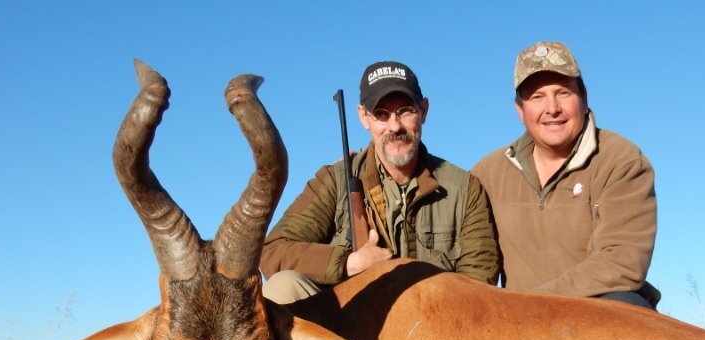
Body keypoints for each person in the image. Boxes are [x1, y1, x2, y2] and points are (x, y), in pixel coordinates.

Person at [261, 61, 499, 302]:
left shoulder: (465, 188)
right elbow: (272, 251)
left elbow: (480, 281)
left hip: (433, 328)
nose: (395, 126)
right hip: (346, 331)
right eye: (381, 114)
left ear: (424, 110)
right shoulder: (335, 180)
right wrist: (347, 263)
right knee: (282, 288)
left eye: (406, 111)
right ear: (364, 117)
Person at [473, 41, 660, 309]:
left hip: (596, 311)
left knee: (623, 303)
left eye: (563, 93)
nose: (552, 108)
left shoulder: (622, 160)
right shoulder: (487, 173)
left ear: (584, 100)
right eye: (537, 97)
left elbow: (622, 263)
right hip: (518, 326)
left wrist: (528, 304)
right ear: (520, 111)